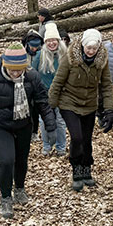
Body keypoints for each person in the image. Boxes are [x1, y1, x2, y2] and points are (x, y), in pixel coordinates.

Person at [0, 43, 57, 219]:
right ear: (5, 65)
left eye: (19, 70)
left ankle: (19, 188)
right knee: (6, 160)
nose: (16, 74)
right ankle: (5, 197)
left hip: (23, 124)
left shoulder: (32, 76)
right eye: (12, 70)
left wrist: (50, 126)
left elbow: (42, 101)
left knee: (21, 159)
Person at [48, 28, 113, 191]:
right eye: (88, 48)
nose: (91, 51)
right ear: (83, 46)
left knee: (86, 138)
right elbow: (57, 82)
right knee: (76, 137)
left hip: (90, 104)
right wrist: (50, 107)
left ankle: (87, 168)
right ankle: (76, 168)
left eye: (94, 48)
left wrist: (110, 109)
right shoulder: (70, 58)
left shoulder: (102, 60)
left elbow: (106, 85)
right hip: (69, 102)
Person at [32, 21, 68, 156]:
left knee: (60, 120)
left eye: (54, 40)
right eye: (48, 41)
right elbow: (32, 73)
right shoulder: (40, 55)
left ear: (58, 41)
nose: (51, 43)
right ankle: (46, 146)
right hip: (44, 94)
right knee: (43, 121)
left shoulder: (65, 54)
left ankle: (60, 147)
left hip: (61, 94)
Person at [23, 29, 44, 141]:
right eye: (32, 47)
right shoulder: (23, 52)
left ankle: (34, 131)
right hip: (24, 84)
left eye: (36, 47)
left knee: (35, 109)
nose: (34, 49)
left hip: (37, 84)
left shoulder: (42, 53)